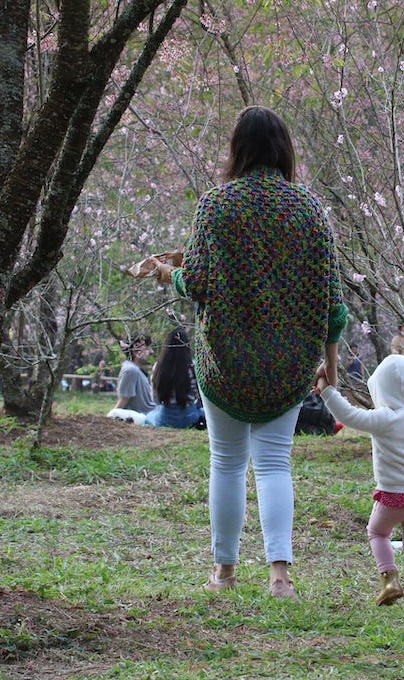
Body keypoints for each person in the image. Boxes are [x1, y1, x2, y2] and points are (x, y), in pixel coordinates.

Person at [148, 105, 348, 598]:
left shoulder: (216, 206)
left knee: (227, 463)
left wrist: (163, 273)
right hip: (288, 363)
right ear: (284, 149)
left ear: (238, 148)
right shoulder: (308, 210)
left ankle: (224, 573)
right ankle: (280, 577)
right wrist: (331, 366)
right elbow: (332, 303)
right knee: (276, 463)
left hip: (227, 362)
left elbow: (194, 282)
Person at [317, 354, 404, 607]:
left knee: (377, 532)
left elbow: (349, 415)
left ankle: (390, 580)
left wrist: (326, 391)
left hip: (392, 498)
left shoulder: (385, 418)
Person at [145, 326, 205, 429]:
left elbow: (155, 400)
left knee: (149, 417)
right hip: (189, 417)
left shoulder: (158, 367)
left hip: (164, 417)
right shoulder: (193, 367)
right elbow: (200, 397)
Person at [114, 334, 155, 415]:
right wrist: (109, 419)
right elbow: (123, 401)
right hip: (144, 417)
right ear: (135, 351)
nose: (151, 352)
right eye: (147, 348)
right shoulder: (130, 370)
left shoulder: (136, 370)